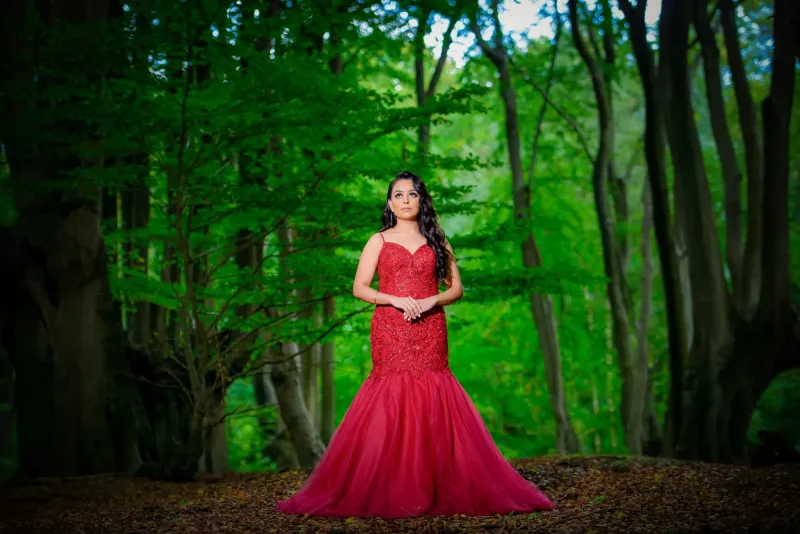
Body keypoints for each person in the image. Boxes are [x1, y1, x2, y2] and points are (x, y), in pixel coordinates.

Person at [276, 171, 554, 518]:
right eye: (398, 195)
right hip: (391, 329)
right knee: (390, 394)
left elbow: (456, 289)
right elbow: (359, 287)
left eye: (412, 194)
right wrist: (394, 299)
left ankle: (438, 483)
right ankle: (388, 487)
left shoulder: (437, 239)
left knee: (434, 391)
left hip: (430, 327)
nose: (405, 200)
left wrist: (429, 302)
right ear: (389, 203)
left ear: (422, 199)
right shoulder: (377, 240)